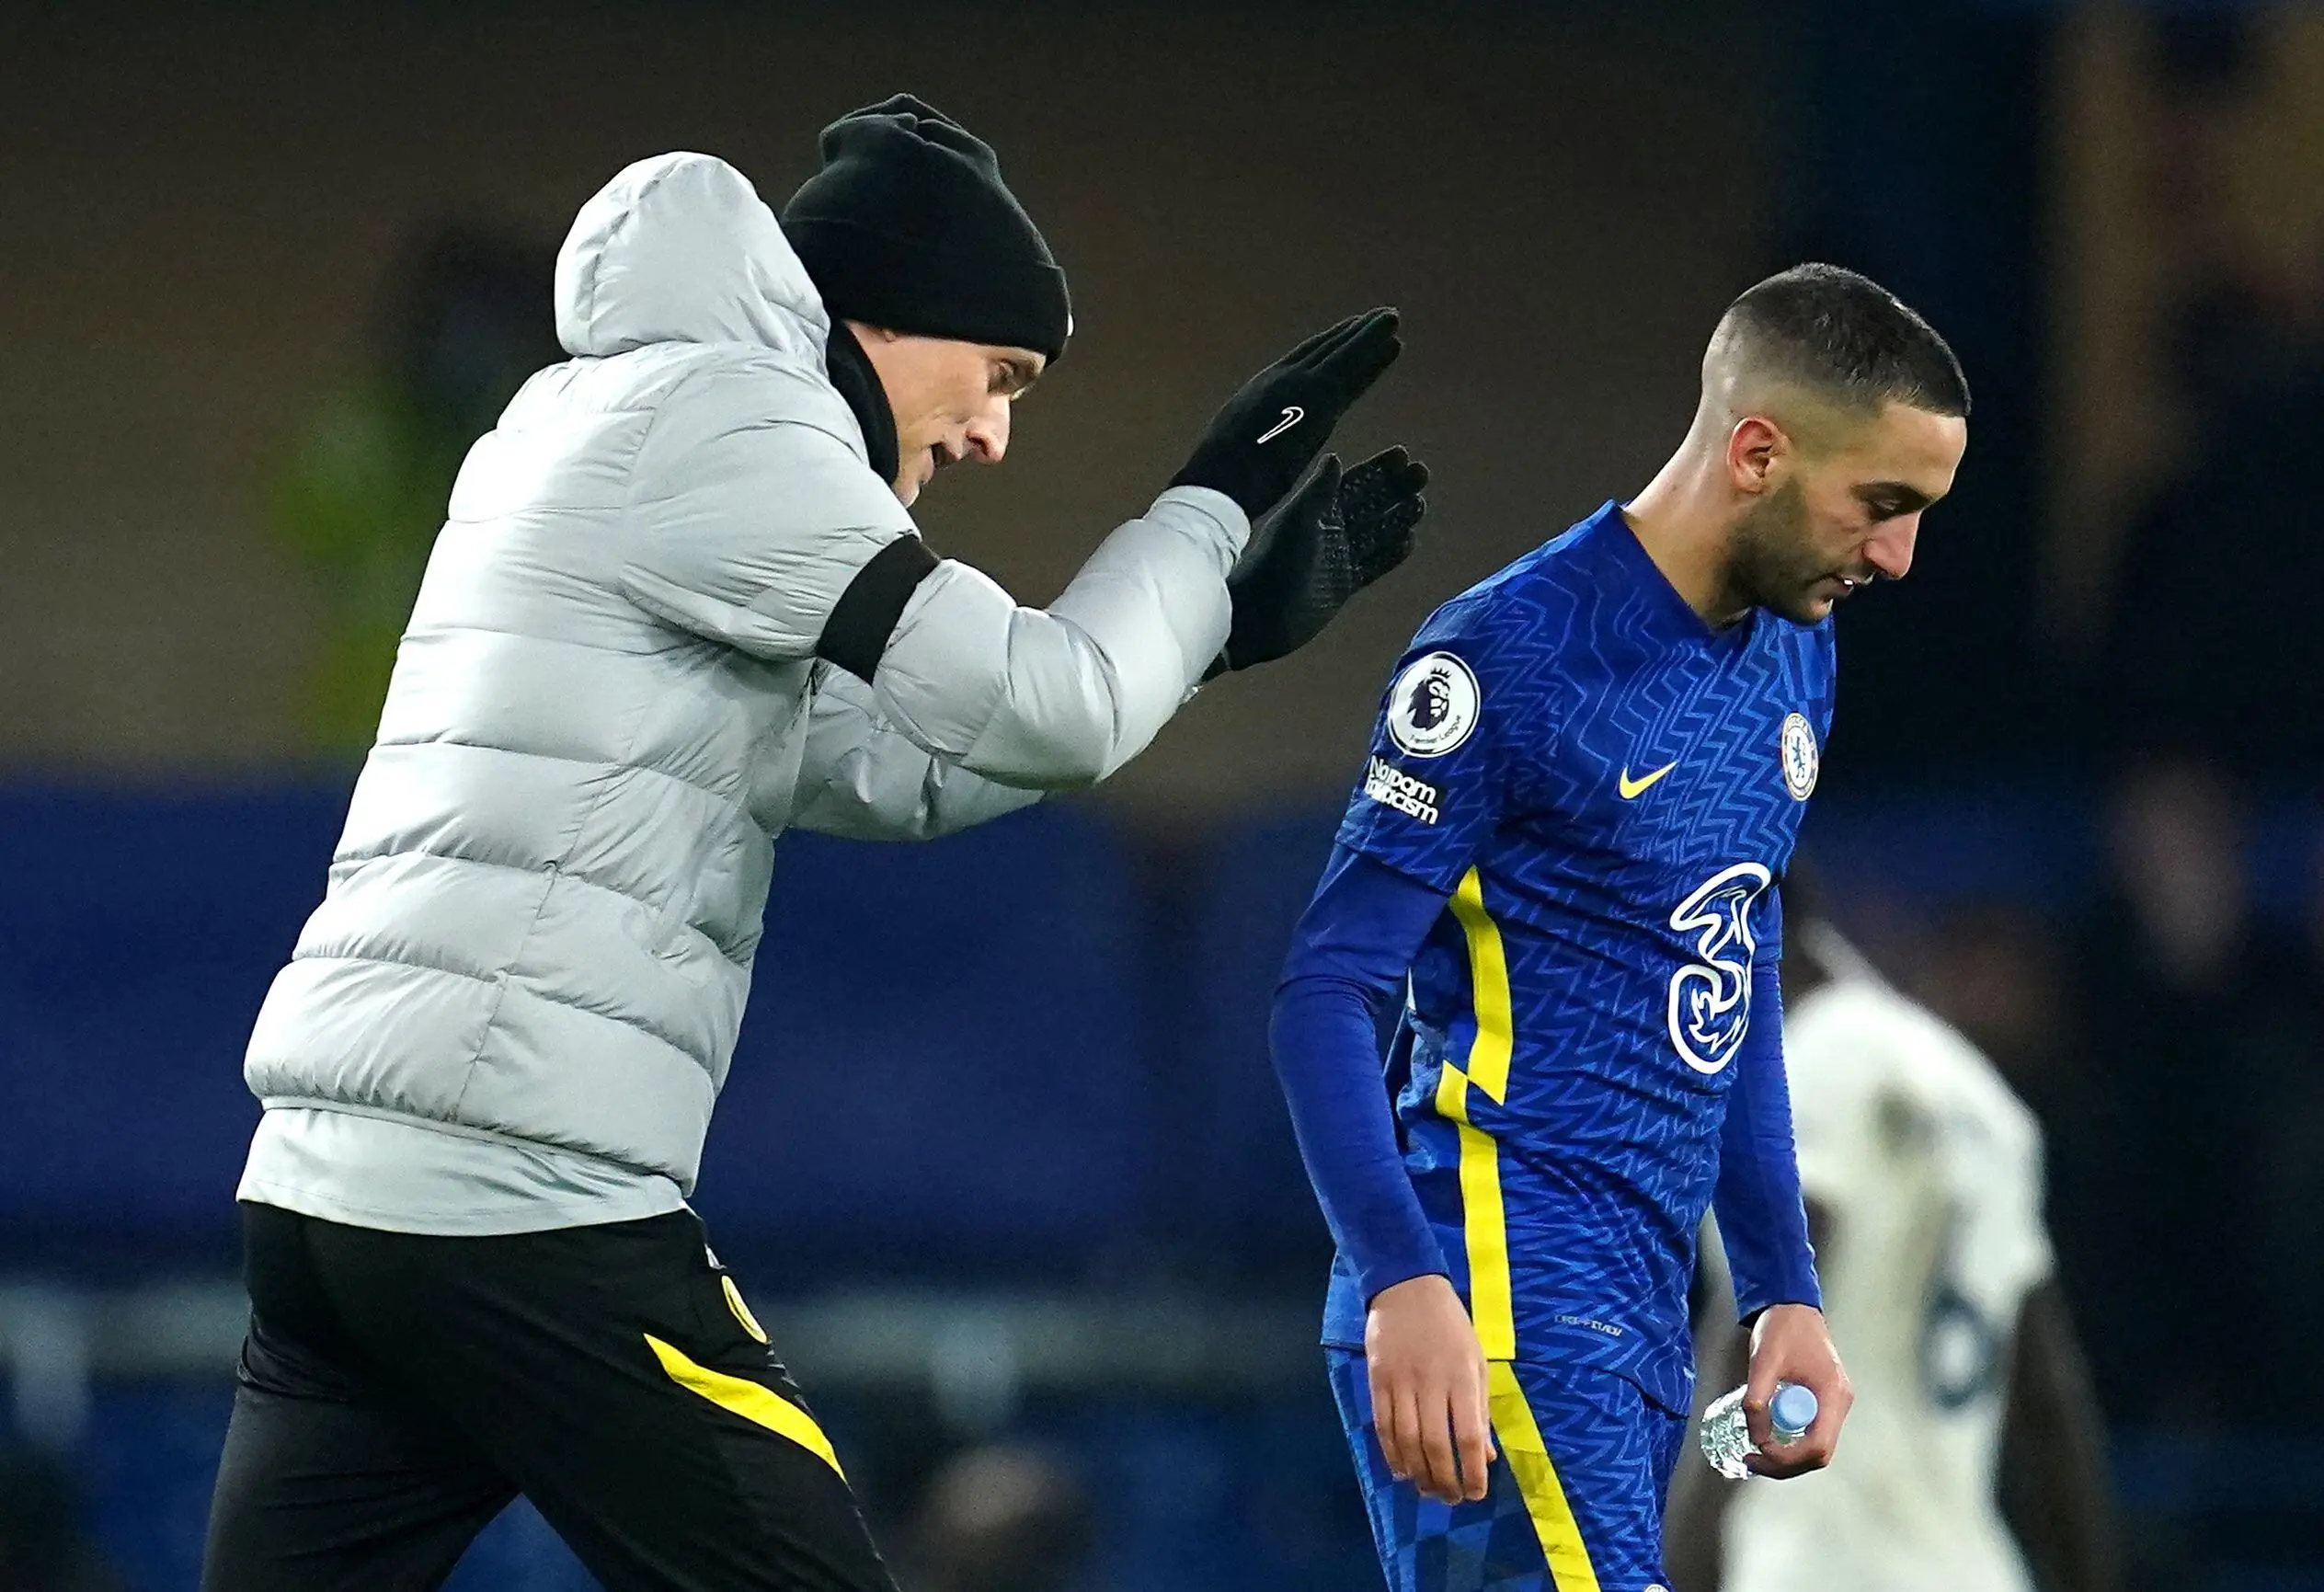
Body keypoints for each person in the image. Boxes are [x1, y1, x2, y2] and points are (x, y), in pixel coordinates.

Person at [200, 95, 1426, 1592]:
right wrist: (1209, 505)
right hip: (519, 1198)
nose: (987, 430)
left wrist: (1215, 631)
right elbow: (1054, 705)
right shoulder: (741, 422)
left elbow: (898, 767)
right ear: (888, 324)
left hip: (334, 1201)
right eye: (1000, 374)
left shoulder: (595, 417)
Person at [1269, 262, 1969, 1589]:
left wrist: (1778, 1290)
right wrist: (1399, 1276)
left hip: (1636, 1304)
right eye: (1879, 504)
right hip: (1490, 1276)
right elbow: (1322, 988)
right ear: (1756, 449)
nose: (1896, 555)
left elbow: (1729, 960)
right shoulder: (1506, 655)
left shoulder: (1792, 649)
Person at [1662, 873, 2122, 1592]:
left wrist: (1671, 1558)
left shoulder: (1813, 1054)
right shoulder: (1982, 1096)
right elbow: (2047, 1407)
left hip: (1823, 1564)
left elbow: (1770, 1323)